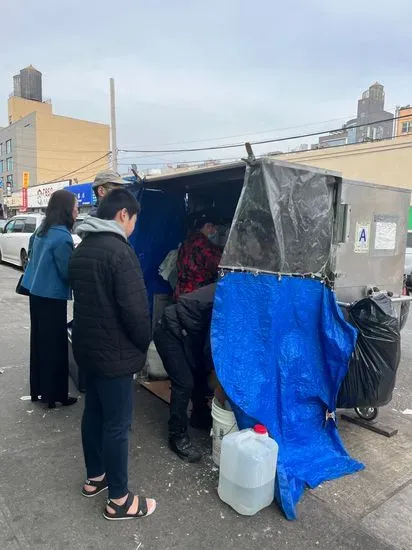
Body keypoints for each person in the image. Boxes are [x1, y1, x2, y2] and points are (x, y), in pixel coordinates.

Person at [69, 188, 156, 521]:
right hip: (115, 355)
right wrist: (143, 342)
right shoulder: (120, 252)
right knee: (118, 425)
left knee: (93, 412)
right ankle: (119, 499)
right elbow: (135, 312)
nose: (133, 226)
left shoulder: (83, 249)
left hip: (88, 350)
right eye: (133, 220)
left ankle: (96, 477)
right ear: (123, 215)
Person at [22, 189, 79, 409]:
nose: (76, 210)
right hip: (52, 298)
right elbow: (66, 273)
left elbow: (32, 258)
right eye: (74, 207)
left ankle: (39, 390)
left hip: (35, 295)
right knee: (55, 347)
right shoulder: (62, 236)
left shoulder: (41, 231)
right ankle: (56, 396)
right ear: (66, 209)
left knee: (39, 343)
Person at [154, 284, 216, 462]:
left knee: (199, 372)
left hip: (188, 331)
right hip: (169, 331)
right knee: (184, 382)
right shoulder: (227, 303)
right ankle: (177, 436)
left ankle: (200, 415)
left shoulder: (233, 293)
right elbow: (210, 349)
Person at [174, 212, 222, 301]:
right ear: (207, 227)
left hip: (180, 292)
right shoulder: (203, 244)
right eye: (210, 227)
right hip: (196, 294)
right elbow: (217, 264)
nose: (213, 230)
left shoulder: (187, 241)